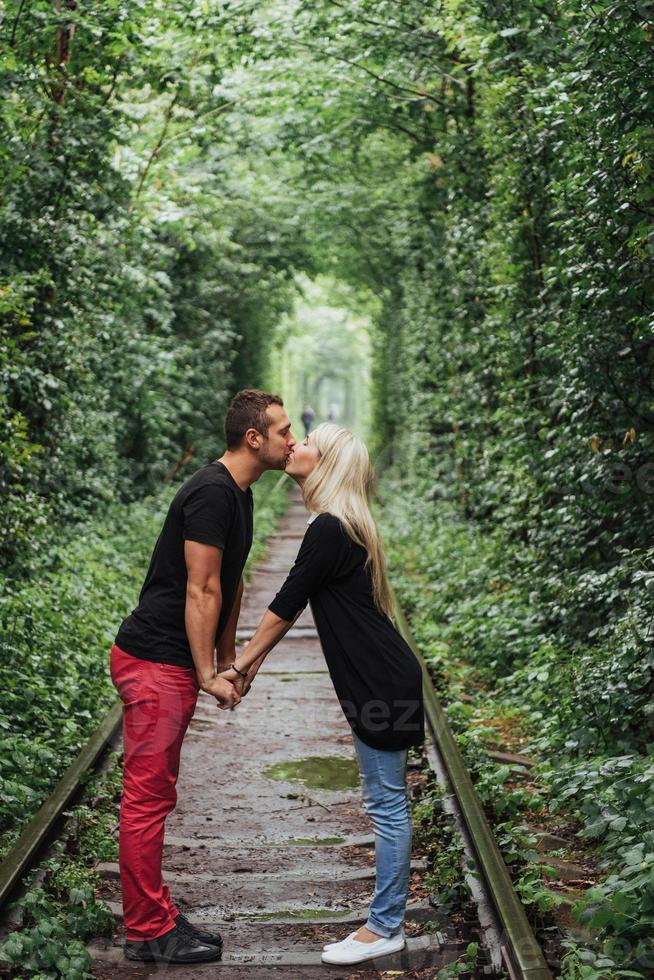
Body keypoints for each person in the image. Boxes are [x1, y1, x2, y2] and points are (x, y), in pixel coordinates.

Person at [220, 422, 425, 967]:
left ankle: (385, 928)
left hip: (379, 682)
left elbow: (286, 605)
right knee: (385, 802)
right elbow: (293, 607)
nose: (296, 445)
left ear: (327, 460)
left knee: (386, 806)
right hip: (381, 677)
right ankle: (384, 923)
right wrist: (248, 668)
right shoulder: (339, 523)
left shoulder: (330, 528)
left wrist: (236, 667)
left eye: (307, 441)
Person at [110, 389, 295, 965]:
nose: (293, 440)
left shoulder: (240, 495)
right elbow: (201, 589)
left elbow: (232, 584)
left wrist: (229, 659)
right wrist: (207, 674)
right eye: (284, 431)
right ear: (253, 438)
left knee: (155, 795)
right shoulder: (214, 494)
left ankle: (156, 914)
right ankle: (146, 931)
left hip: (171, 662)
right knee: (147, 799)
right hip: (155, 662)